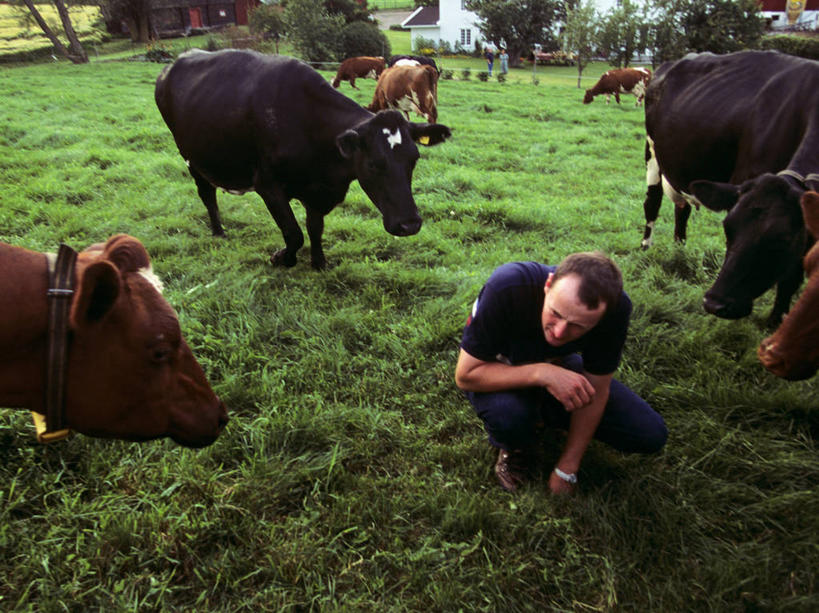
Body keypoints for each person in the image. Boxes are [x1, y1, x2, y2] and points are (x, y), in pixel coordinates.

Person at [454, 252, 668, 494]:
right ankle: (515, 445)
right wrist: (542, 373)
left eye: (578, 326)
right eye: (555, 313)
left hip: (559, 364)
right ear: (548, 285)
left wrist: (567, 467)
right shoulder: (508, 285)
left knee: (649, 433)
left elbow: (597, 388)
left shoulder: (616, 310)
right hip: (497, 367)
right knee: (510, 417)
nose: (559, 332)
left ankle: (545, 412)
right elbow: (466, 375)